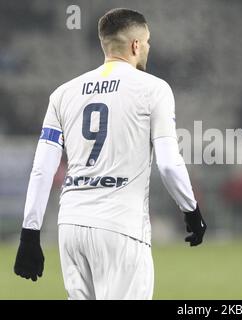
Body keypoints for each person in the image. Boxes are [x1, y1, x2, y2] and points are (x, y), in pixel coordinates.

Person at [13, 8, 206, 300]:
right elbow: (168, 164)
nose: (149, 48)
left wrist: (30, 233)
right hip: (120, 227)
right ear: (135, 45)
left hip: (71, 227)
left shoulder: (63, 93)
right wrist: (191, 210)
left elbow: (42, 168)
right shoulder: (154, 89)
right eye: (148, 41)